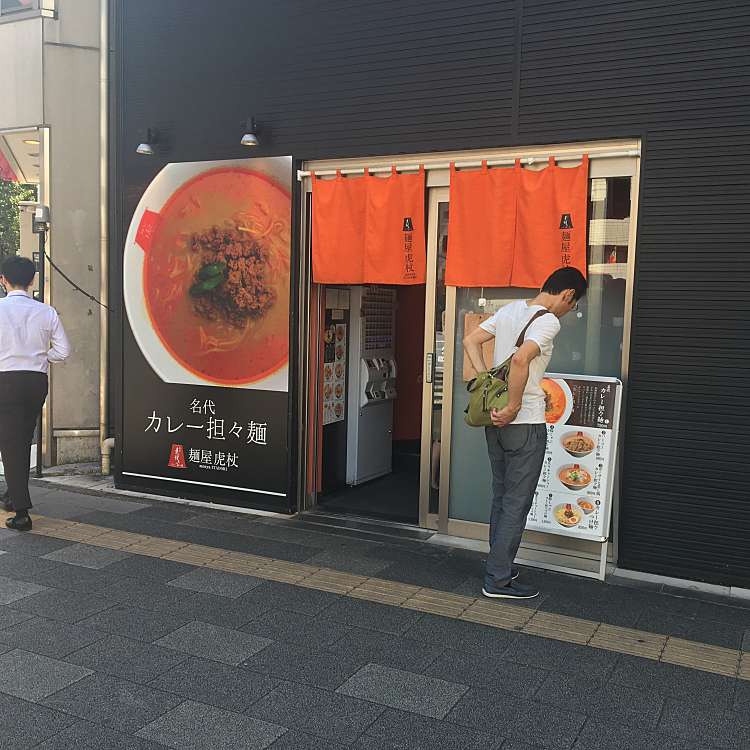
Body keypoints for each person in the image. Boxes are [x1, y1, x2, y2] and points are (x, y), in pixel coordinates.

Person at [463, 267, 587, 599]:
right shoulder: (549, 320)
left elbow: (470, 340)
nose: (568, 311)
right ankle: (498, 579)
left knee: (502, 495)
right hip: (524, 422)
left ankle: (498, 565)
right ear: (567, 295)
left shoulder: (510, 309)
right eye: (571, 305)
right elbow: (521, 360)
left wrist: (487, 381)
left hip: (494, 421)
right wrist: (515, 404)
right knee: (516, 502)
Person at [0, 255, 70, 531]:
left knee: (12, 442)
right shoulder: (47, 311)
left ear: (3, 280)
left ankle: (22, 512)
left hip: (5, 379)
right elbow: (64, 351)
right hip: (35, 381)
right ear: (32, 281)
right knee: (19, 437)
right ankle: (11, 493)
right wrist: (40, 357)